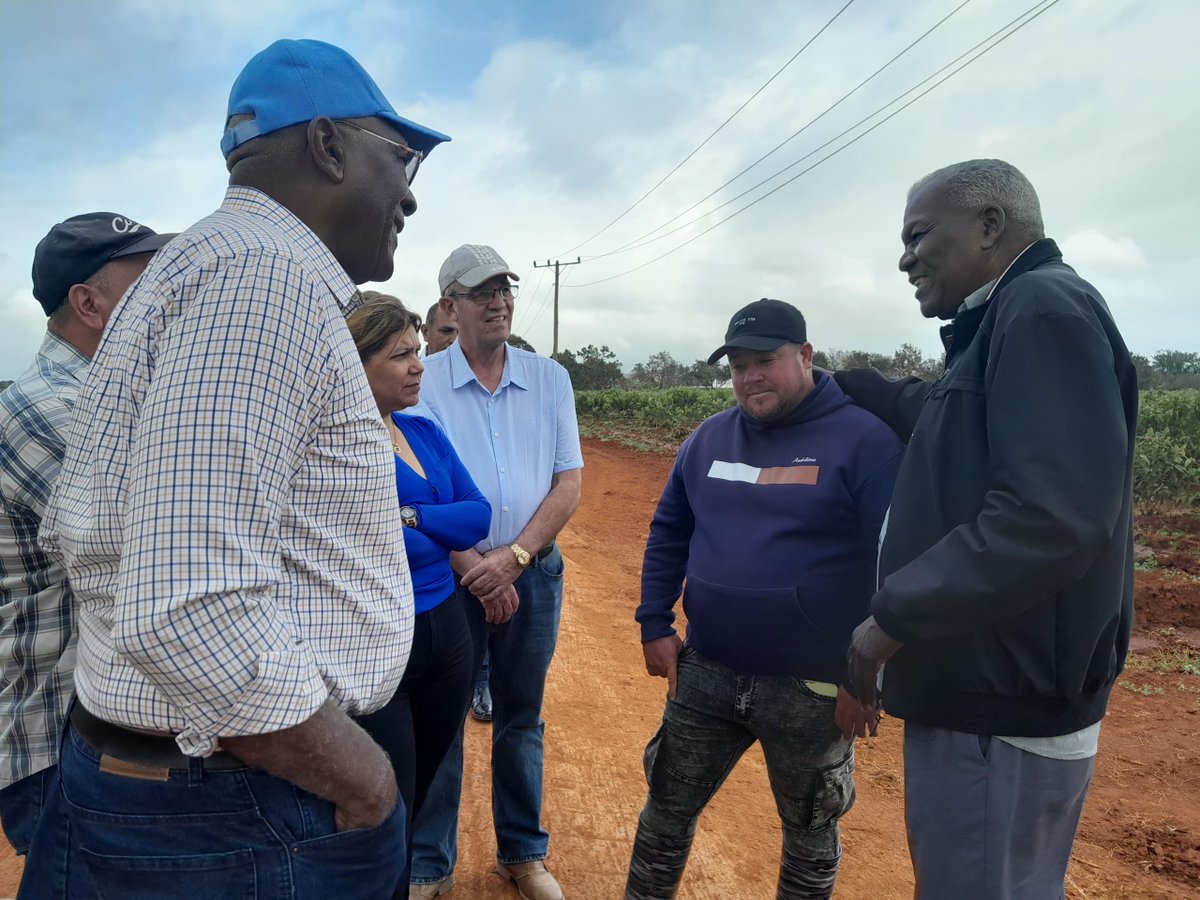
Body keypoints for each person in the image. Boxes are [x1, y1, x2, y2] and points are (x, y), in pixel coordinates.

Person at [38, 39, 450, 900]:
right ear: (329, 146)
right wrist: (364, 780)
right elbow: (190, 603)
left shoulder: (204, 269)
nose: (410, 191)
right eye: (401, 156)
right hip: (241, 809)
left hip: (184, 792)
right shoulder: (263, 278)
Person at [835, 159, 1137, 899]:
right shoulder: (1006, 319)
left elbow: (1050, 517)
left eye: (917, 235)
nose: (904, 257)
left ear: (990, 226)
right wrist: (851, 386)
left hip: (1002, 712)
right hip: (991, 692)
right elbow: (952, 416)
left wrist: (887, 620)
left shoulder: (1043, 311)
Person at [624, 299, 902, 900]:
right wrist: (653, 621)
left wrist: (864, 674)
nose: (750, 376)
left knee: (808, 838)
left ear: (804, 356)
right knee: (665, 814)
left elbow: (893, 566)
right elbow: (670, 530)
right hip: (706, 674)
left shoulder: (865, 442)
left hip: (814, 690)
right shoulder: (708, 440)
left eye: (766, 361)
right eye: (739, 364)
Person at [0, 212, 174, 897]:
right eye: (148, 280)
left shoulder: (107, 398)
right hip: (56, 736)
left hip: (95, 728)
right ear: (89, 303)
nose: (167, 295)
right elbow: (167, 544)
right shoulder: (53, 407)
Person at [409, 244, 583, 900]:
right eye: (482, 292)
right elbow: (420, 495)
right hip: (451, 578)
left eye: (505, 289)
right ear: (449, 304)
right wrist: (474, 566)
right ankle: (429, 864)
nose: (499, 301)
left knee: (521, 714)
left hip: (531, 569)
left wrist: (513, 560)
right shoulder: (422, 380)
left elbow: (568, 482)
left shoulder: (549, 379)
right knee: (443, 717)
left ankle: (523, 853)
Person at [347, 291, 490, 889]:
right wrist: (432, 522)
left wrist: (410, 516)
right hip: (383, 637)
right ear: (357, 364)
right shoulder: (345, 448)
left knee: (426, 777)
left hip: (446, 630)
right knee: (388, 796)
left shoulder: (422, 432)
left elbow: (477, 517)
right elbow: (379, 546)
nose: (419, 366)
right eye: (401, 355)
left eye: (416, 351)